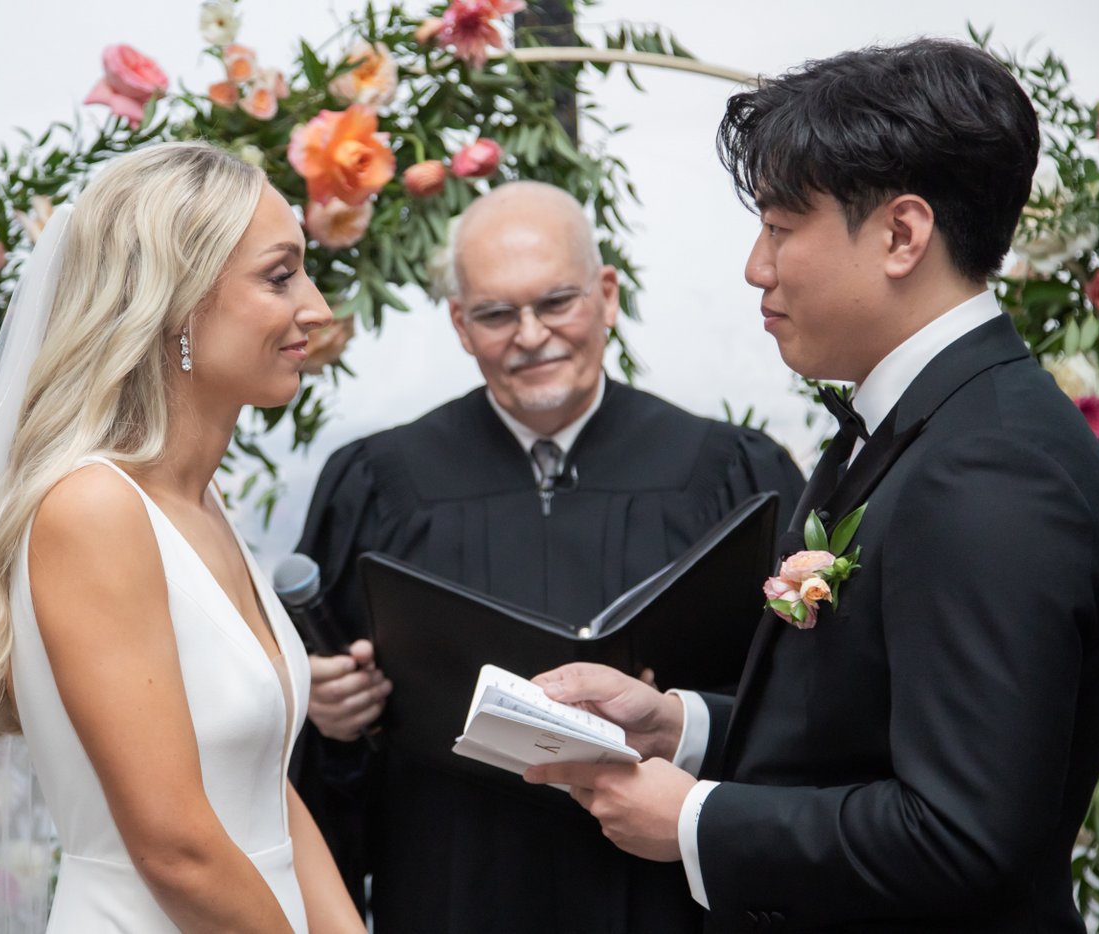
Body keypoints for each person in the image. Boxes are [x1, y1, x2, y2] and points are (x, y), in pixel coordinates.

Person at [525, 39, 1099, 933]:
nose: (755, 267)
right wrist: (676, 728)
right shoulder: (933, 422)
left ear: (901, 234)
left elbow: (962, 834)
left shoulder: (990, 466)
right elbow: (870, 733)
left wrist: (694, 819)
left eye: (779, 226)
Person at [0, 142, 365, 933]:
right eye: (279, 275)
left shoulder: (200, 501)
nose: (317, 309)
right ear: (179, 302)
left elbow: (261, 785)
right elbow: (175, 849)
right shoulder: (93, 509)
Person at [294, 180, 804, 933]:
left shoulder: (728, 471)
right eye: (497, 314)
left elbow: (796, 701)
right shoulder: (376, 483)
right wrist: (331, 714)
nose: (530, 335)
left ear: (605, 294)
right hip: (453, 881)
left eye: (556, 302)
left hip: (660, 895)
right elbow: (325, 712)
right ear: (460, 325)